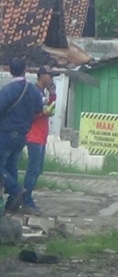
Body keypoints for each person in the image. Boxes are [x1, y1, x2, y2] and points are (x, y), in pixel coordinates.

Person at [0, 58, 43, 214]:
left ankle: (16, 190)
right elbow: (39, 109)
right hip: (23, 135)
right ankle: (12, 204)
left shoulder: (7, 90)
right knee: (11, 166)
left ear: (10, 70)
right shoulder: (32, 90)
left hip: (6, 134)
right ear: (25, 69)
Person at [21, 66, 59, 214]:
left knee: (38, 170)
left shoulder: (44, 93)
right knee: (33, 169)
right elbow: (32, 113)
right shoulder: (34, 92)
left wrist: (53, 96)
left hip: (42, 136)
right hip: (34, 135)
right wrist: (43, 113)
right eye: (49, 75)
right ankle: (26, 200)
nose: (51, 79)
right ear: (42, 76)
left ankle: (27, 197)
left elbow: (50, 111)